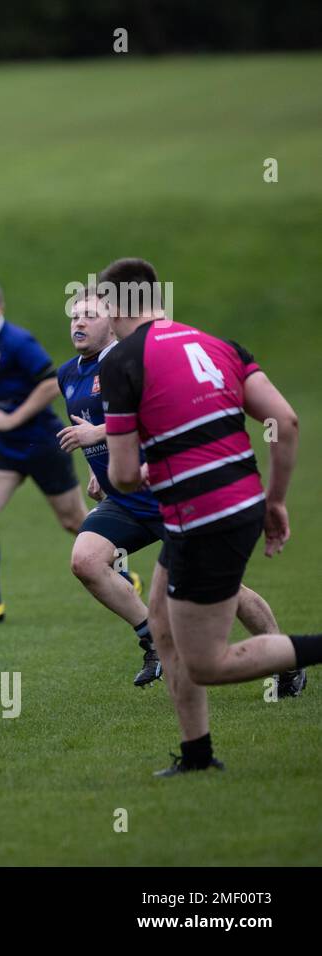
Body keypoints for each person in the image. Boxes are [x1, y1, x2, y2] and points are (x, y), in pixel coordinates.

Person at [98, 258, 317, 775]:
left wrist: (143, 468)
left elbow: (124, 475)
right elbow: (285, 420)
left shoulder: (122, 362)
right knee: (161, 622)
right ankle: (197, 755)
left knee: (209, 662)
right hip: (235, 505)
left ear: (112, 307)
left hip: (203, 518)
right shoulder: (219, 345)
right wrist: (276, 499)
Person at [0, 281, 84, 623]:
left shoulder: (18, 341)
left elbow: (51, 383)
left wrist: (11, 419)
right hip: (4, 447)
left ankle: (124, 576)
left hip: (41, 440)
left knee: (73, 521)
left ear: (1, 309)